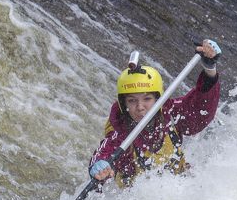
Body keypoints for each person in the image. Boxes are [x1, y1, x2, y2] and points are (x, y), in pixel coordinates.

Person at [88, 40, 222, 187]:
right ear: (123, 103)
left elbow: (200, 110)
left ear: (158, 99)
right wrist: (101, 166)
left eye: (147, 99)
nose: (140, 107)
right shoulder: (121, 131)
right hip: (137, 199)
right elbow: (107, 150)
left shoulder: (170, 112)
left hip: (181, 185)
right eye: (132, 101)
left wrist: (210, 71)